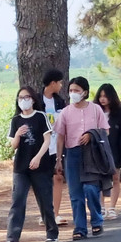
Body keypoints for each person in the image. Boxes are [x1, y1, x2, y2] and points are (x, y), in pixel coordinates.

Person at [54, 77, 108, 240]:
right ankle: (80, 228)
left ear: (85, 92)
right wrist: (58, 159)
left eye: (76, 90)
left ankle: (97, 220)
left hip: (92, 154)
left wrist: (92, 135)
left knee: (91, 189)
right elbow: (60, 137)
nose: (73, 93)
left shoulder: (96, 109)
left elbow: (105, 130)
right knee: (75, 193)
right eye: (71, 90)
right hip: (72, 154)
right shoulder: (65, 112)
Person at [3, 86, 58, 242]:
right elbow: (13, 145)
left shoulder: (40, 116)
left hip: (41, 166)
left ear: (33, 99)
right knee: (17, 200)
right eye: (20, 98)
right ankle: (12, 237)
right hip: (21, 167)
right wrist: (17, 135)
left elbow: (47, 140)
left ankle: (52, 233)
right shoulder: (16, 120)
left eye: (26, 97)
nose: (23, 100)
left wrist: (38, 157)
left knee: (45, 200)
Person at [95, 84, 121, 220]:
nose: (102, 99)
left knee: (115, 178)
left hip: (115, 150)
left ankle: (112, 208)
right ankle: (101, 207)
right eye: (100, 96)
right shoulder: (95, 112)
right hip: (98, 150)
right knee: (99, 180)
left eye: (105, 96)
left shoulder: (119, 113)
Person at [41, 69, 69, 227]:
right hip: (41, 147)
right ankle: (44, 213)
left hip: (56, 146)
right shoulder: (37, 100)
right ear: (52, 83)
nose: (61, 85)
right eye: (59, 82)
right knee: (43, 181)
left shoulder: (60, 101)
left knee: (58, 177)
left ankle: (55, 213)